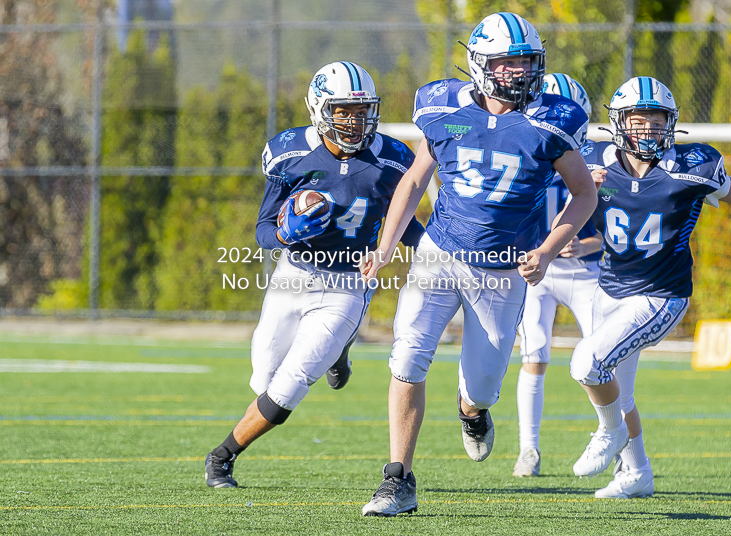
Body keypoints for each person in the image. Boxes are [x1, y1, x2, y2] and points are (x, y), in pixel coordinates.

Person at [359, 12, 598, 516]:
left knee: (484, 387)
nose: (518, 73)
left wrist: (549, 249)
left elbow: (584, 195)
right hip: (439, 254)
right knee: (408, 356)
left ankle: (472, 412)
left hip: (503, 270)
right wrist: (386, 245)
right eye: (506, 63)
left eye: (526, 62)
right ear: (479, 64)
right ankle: (397, 479)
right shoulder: (444, 107)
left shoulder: (552, 119)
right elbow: (414, 181)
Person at [204, 61, 424, 488]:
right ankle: (339, 352)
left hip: (347, 286)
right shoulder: (289, 152)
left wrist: (440, 251)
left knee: (287, 388)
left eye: (362, 111)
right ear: (320, 108)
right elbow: (263, 229)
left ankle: (222, 455)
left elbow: (407, 224)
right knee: (263, 378)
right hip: (293, 275)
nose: (354, 121)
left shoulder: (393, 159)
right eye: (343, 111)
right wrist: (286, 234)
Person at [570, 76, 731, 498]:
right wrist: (580, 184)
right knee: (620, 392)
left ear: (671, 123)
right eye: (638, 118)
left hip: (661, 295)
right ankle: (636, 473)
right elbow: (550, 193)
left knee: (586, 365)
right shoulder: (593, 160)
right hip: (609, 288)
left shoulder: (692, 166)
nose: (648, 127)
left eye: (656, 118)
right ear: (618, 122)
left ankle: (610, 433)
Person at [513, 73, 604, 477]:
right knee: (533, 354)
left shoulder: (603, 153)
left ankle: (613, 435)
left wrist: (590, 244)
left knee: (604, 359)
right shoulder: (524, 144)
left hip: (587, 271)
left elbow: (629, 223)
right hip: (538, 270)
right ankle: (528, 449)